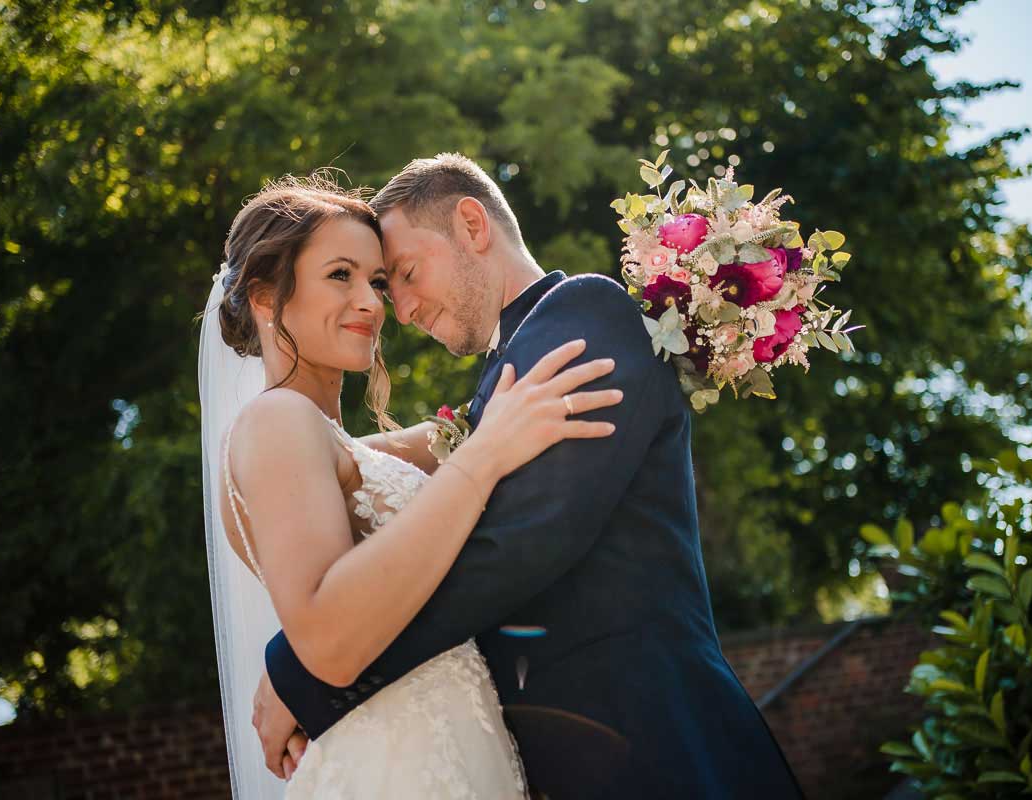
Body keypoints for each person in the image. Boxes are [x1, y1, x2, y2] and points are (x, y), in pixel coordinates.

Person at [255, 155, 806, 799]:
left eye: (404, 274)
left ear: (472, 223)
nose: (398, 310)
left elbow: (524, 543)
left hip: (660, 747)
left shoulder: (585, 314)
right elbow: (368, 462)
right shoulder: (503, 385)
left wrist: (310, 670)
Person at [198, 173, 622, 797]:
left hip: (459, 747)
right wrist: (479, 463)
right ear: (264, 298)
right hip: (395, 763)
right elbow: (327, 639)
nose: (374, 303)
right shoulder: (274, 422)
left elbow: (462, 435)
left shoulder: (332, 444)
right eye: (340, 275)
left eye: (377, 280)